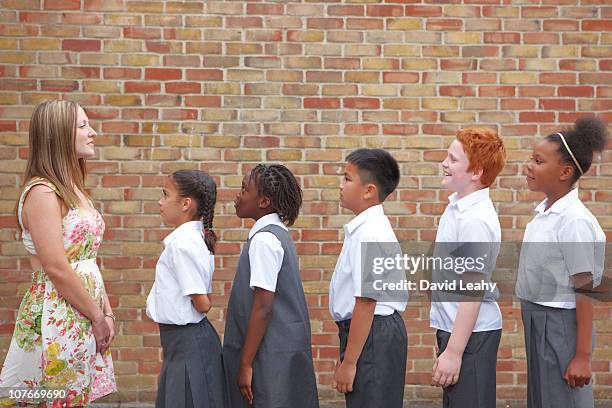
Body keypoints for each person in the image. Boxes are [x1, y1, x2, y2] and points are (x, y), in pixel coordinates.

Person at [0, 100, 116, 406]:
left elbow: (87, 260)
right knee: (52, 397)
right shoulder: (43, 192)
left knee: (74, 396)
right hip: (56, 311)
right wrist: (96, 316)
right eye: (82, 126)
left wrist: (106, 311)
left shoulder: (74, 189)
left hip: (82, 308)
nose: (92, 133)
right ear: (58, 134)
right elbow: (56, 267)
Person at [516, 117, 608, 408]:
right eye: (531, 158)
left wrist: (582, 355)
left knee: (565, 399)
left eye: (539, 161)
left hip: (560, 327)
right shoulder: (544, 214)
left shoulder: (574, 222)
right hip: (537, 319)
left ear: (565, 172)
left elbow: (586, 289)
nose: (529, 166)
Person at [222, 164, 318, 408]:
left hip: (268, 356)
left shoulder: (264, 239)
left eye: (244, 190)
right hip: (279, 351)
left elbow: (263, 307)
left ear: (263, 201)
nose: (238, 195)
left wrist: (245, 364)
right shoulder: (277, 233)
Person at [429, 128, 507, 408]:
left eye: (452, 159)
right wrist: (444, 336)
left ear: (476, 171)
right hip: (457, 330)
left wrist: (454, 351)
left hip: (472, 335)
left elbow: (472, 292)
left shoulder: (474, 220)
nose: (444, 163)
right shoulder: (457, 208)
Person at [329, 148, 407, 407]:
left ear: (369, 191)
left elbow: (366, 301)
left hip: (374, 332)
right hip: (368, 332)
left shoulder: (370, 234)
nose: (340, 185)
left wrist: (350, 362)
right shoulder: (364, 229)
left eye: (347, 178)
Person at [146, 170, 227, 408]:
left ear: (185, 204)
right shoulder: (194, 239)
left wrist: (200, 301)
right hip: (184, 342)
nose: (160, 202)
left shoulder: (181, 245)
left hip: (188, 343)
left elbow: (203, 303)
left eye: (165, 195)